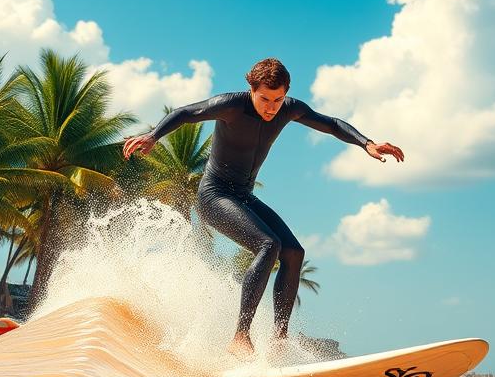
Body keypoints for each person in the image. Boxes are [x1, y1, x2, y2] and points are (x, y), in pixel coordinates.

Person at [123, 58, 404, 357]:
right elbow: (186, 112)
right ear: (251, 89)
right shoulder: (231, 105)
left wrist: (366, 143)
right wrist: (153, 135)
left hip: (243, 195)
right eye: (264, 99)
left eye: (278, 100)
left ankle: (279, 340)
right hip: (214, 195)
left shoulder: (290, 109)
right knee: (268, 245)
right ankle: (240, 337)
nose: (271, 107)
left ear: (286, 94)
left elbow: (331, 124)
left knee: (294, 253)